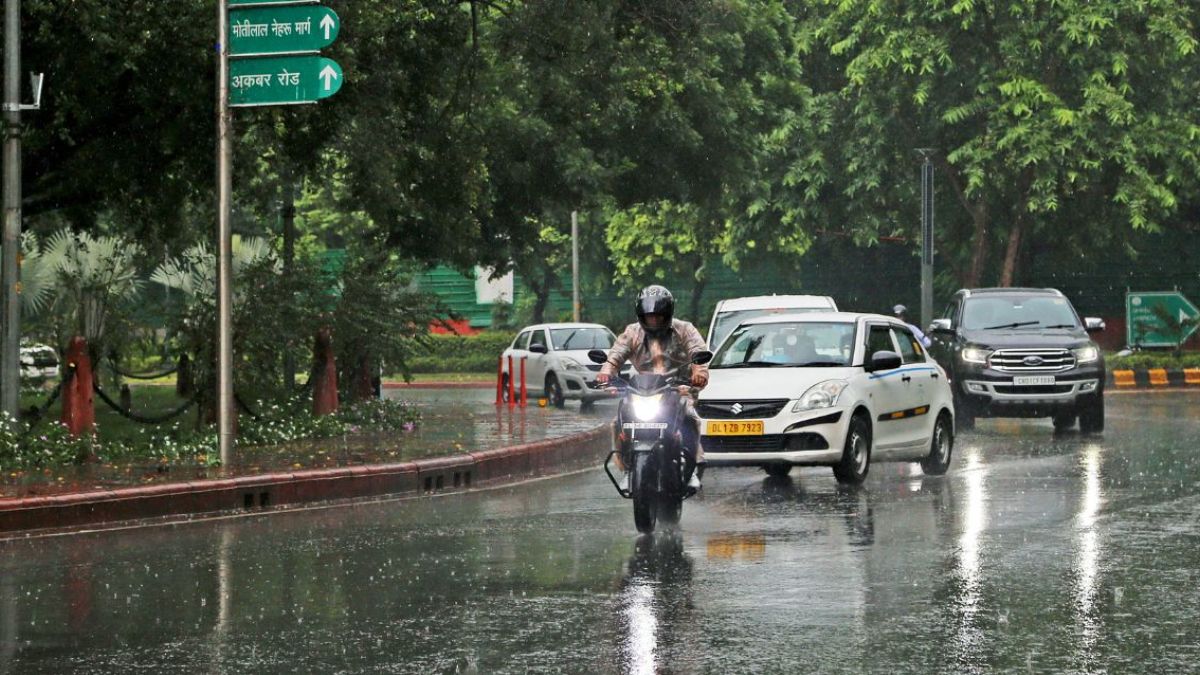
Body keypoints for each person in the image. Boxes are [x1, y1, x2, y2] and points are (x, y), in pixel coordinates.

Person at [597, 285, 709, 493]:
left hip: (679, 387)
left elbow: (697, 351)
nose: (654, 321)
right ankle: (627, 470)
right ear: (641, 316)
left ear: (668, 314)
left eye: (658, 316)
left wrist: (699, 373)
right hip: (642, 390)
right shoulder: (632, 332)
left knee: (691, 417)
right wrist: (607, 372)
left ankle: (692, 465)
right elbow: (616, 354)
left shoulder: (685, 329)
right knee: (617, 421)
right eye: (649, 317)